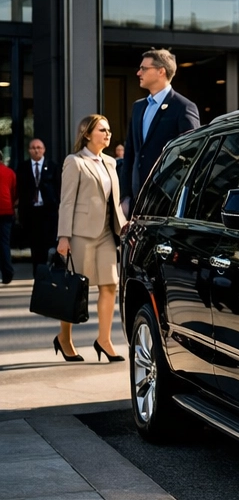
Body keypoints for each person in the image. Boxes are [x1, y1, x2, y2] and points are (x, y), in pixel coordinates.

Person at [55, 115, 128, 362]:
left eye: (109, 129)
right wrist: (63, 236)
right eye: (102, 129)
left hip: (107, 232)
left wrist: (125, 226)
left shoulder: (110, 162)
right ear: (87, 134)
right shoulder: (74, 162)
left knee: (110, 285)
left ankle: (104, 340)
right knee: (75, 290)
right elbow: (66, 202)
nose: (108, 133)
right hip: (80, 234)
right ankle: (64, 337)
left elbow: (113, 200)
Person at [121, 48, 199, 211]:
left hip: (167, 202)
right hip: (137, 201)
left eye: (143, 68)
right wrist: (125, 196)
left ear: (161, 71)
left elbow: (193, 156)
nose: (138, 73)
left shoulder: (183, 107)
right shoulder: (138, 107)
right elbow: (130, 154)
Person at [17, 139, 59, 276]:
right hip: (31, 212)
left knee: (48, 244)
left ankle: (47, 271)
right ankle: (38, 273)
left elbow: (58, 187)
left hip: (48, 211)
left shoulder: (52, 166)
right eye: (33, 148)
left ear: (44, 149)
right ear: (29, 150)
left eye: (39, 147)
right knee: (35, 245)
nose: (36, 150)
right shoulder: (23, 167)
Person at [0, 156, 14, 284]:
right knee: (4, 243)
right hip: (6, 210)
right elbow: (14, 191)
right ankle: (7, 273)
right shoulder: (9, 172)